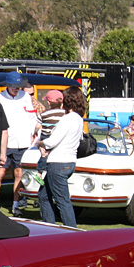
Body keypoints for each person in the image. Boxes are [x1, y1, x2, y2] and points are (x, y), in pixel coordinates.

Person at [36, 86, 85, 228]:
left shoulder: (67, 119)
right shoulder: (78, 119)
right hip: (69, 161)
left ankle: (71, 231)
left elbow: (52, 141)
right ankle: (49, 228)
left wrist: (40, 143)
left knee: (62, 201)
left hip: (58, 163)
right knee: (44, 195)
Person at [0, 72, 39, 215]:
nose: (17, 89)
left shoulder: (25, 97)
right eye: (14, 87)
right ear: (7, 85)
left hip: (23, 141)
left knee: (19, 173)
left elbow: (32, 117)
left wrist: (33, 133)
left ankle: (16, 204)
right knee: (0, 172)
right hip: (4, 142)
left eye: (19, 86)